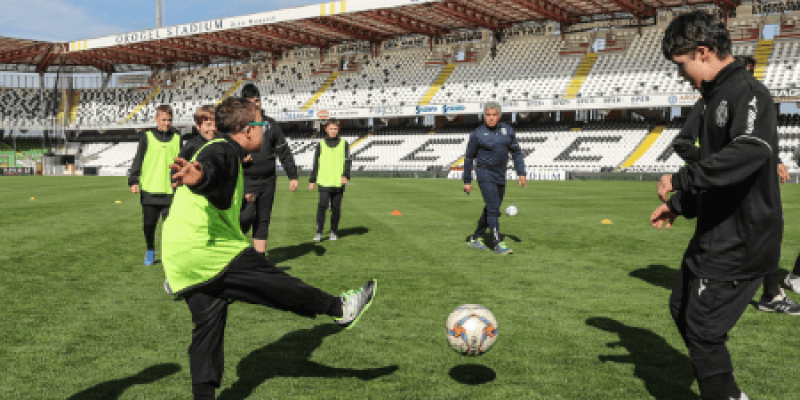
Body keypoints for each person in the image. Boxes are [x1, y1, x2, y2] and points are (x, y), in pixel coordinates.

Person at [162, 97, 377, 400]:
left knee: (207, 332)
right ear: (247, 130)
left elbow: (220, 194)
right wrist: (202, 179)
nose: (266, 130)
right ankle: (341, 308)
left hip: (180, 257)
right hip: (208, 251)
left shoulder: (218, 149)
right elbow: (214, 174)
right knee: (277, 284)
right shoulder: (223, 151)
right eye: (262, 124)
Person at [651, 11, 783, 400]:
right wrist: (680, 204)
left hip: (743, 236)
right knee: (682, 309)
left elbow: (750, 153)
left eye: (682, 66)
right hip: (715, 231)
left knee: (704, 331)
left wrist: (680, 179)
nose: (680, 76)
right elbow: (716, 170)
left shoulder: (748, 92)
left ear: (703, 52)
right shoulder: (711, 99)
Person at [672, 55, 798, 315]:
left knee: (772, 225)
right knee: (700, 321)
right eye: (744, 71)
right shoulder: (708, 103)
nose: (747, 77)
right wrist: (708, 162)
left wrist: (776, 160)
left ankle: (771, 293)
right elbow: (683, 143)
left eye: (751, 72)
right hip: (722, 186)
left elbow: (757, 143)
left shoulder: (753, 98)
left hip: (755, 185)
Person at [239, 83, 299, 256]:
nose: (255, 104)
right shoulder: (238, 126)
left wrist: (292, 176)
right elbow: (227, 150)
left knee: (263, 219)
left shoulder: (271, 125)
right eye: (250, 101)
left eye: (257, 100)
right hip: (246, 180)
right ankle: (235, 255)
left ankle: (260, 260)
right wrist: (240, 158)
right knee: (245, 218)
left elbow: (283, 150)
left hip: (268, 180)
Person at [463, 102, 526, 255]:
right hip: (484, 174)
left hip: (500, 175)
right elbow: (469, 158)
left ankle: (475, 238)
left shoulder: (507, 131)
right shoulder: (477, 134)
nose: (490, 118)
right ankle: (498, 244)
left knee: (492, 207)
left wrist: (521, 173)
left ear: (499, 116)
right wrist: (467, 180)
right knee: (493, 207)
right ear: (484, 116)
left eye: (494, 115)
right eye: (488, 115)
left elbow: (516, 153)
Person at [128, 104, 181, 265]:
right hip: (150, 189)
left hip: (170, 191)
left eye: (169, 120)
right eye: (163, 119)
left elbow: (181, 162)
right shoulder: (147, 136)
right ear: (156, 119)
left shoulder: (178, 137)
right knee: (149, 225)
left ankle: (170, 254)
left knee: (171, 228)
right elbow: (138, 159)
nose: (166, 123)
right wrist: (133, 180)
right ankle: (150, 249)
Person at [308, 119, 352, 242]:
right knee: (322, 206)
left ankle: (333, 231)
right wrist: (312, 180)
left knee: (336, 208)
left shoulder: (344, 143)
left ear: (338, 130)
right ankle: (319, 232)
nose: (333, 131)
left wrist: (346, 175)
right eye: (331, 128)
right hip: (323, 180)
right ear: (326, 129)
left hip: (338, 181)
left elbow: (348, 161)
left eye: (335, 129)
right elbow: (315, 163)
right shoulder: (320, 144)